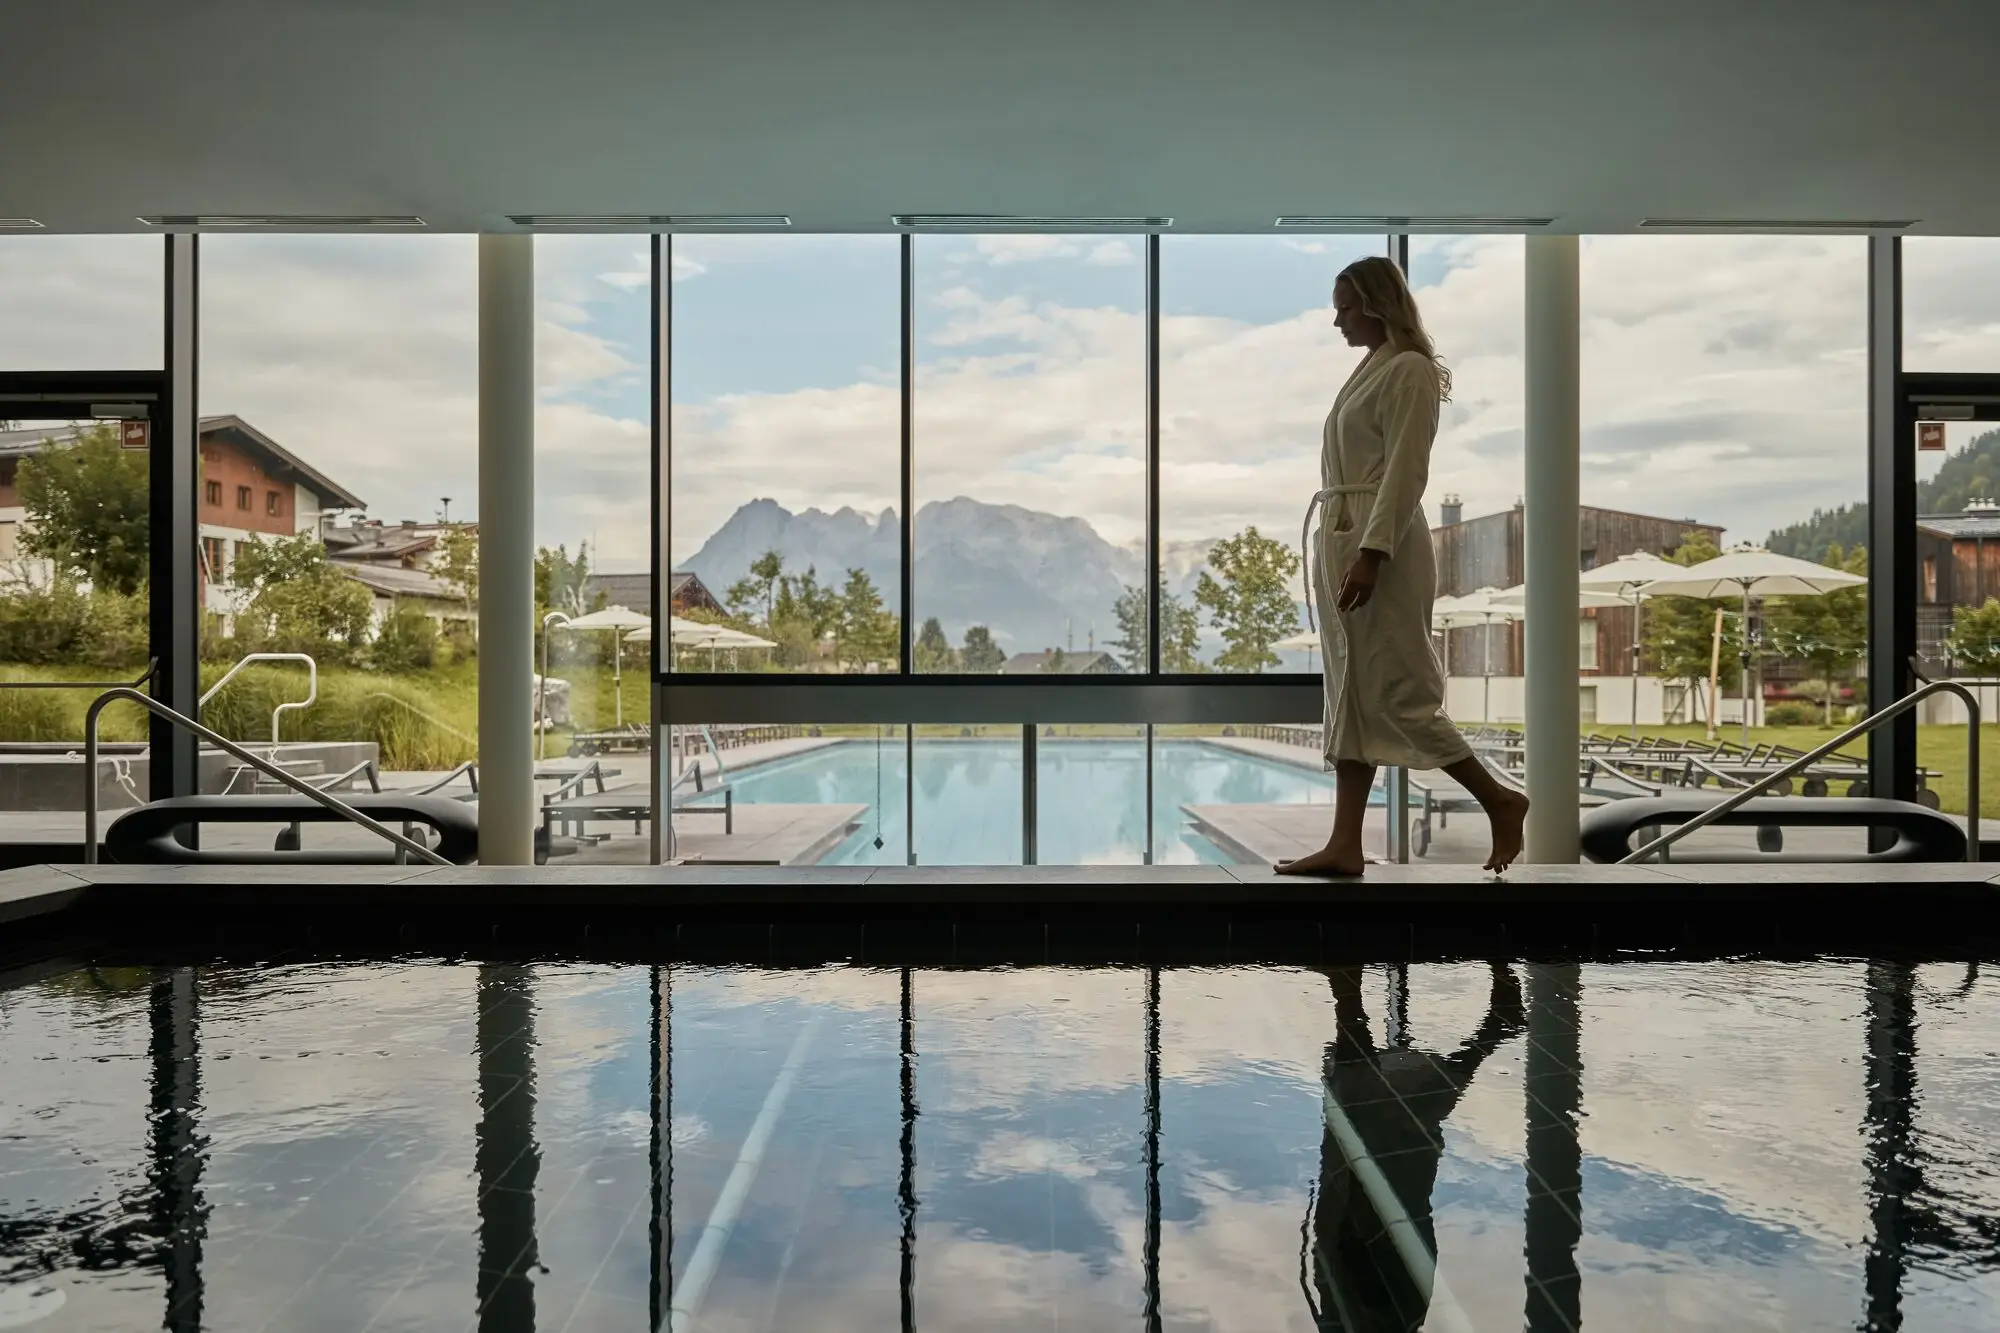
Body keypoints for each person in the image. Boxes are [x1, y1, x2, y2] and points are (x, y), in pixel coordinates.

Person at [1275, 256, 1528, 876]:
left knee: (1400, 688)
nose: (1337, 321)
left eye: (1345, 308)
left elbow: (1407, 471)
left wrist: (1371, 552)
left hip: (1378, 546)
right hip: (1347, 537)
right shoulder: (1372, 367)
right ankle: (1344, 845)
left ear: (1377, 304)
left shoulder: (1409, 371)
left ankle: (1499, 799)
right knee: (1353, 694)